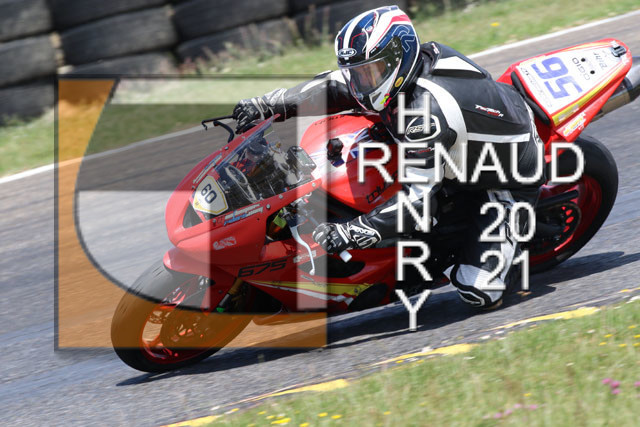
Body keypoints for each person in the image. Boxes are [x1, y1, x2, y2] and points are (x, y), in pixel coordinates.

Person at [232, 5, 544, 309]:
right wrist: (268, 104)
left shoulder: (426, 114)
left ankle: (507, 239)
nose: (361, 83)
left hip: (504, 176)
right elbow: (334, 85)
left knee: (478, 289)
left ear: (399, 57)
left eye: (370, 72)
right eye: (357, 73)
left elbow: (416, 203)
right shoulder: (407, 70)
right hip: (462, 145)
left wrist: (350, 232)